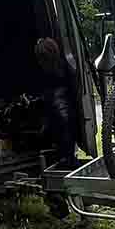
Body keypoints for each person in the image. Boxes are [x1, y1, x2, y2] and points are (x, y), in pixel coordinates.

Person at [35, 37, 77, 165]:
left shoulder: (47, 72)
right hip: (65, 110)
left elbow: (50, 101)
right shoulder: (65, 65)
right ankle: (67, 157)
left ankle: (64, 157)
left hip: (58, 111)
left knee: (60, 132)